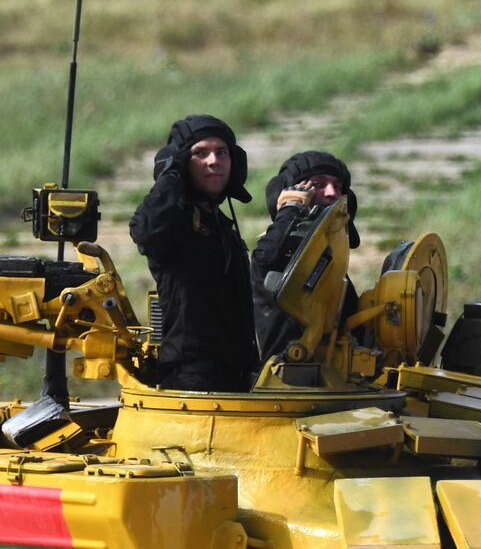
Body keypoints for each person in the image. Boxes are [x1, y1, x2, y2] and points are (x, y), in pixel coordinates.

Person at [129, 115, 259, 393]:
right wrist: (171, 174)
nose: (214, 161)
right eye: (200, 153)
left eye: (221, 152)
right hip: (191, 378)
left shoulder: (219, 223)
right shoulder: (172, 221)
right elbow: (147, 231)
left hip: (234, 374)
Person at [250, 150, 362, 360]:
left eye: (338, 187)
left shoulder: (334, 261)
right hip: (280, 375)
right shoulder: (274, 250)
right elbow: (265, 259)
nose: (331, 193)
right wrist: (290, 211)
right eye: (318, 184)